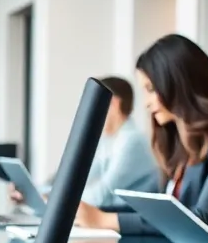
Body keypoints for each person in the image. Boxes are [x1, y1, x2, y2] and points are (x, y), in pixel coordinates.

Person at [74, 34, 208, 241]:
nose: (146, 103)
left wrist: (105, 220)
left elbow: (200, 221)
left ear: (179, 83)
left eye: (151, 89)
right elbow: (161, 211)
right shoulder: (183, 140)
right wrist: (96, 213)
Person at [9, 75, 155, 209]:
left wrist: (50, 197)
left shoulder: (132, 141)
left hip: (124, 219)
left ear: (114, 104)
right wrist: (34, 192)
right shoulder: (108, 140)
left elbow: (101, 195)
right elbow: (76, 180)